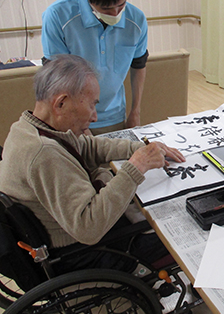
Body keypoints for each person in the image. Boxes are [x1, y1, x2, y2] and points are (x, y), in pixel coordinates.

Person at [0, 54, 185, 272]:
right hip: (80, 253)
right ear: (61, 103)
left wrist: (138, 149)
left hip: (67, 231)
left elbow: (87, 146)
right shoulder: (43, 154)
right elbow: (89, 228)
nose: (95, 117)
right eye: (91, 105)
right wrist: (132, 168)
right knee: (179, 231)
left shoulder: (28, 128)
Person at [41, 0, 147, 135]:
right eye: (106, 8)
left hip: (113, 115)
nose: (115, 14)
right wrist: (78, 122)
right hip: (71, 118)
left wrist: (135, 112)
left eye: (121, 5)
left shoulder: (136, 20)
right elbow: (57, 78)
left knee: (114, 163)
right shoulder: (58, 16)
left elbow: (138, 65)